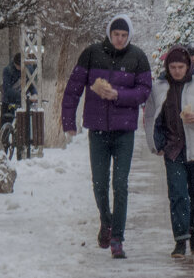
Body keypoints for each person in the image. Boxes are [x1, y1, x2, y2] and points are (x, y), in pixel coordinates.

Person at [62, 14, 152, 259]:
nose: (120, 40)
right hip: (98, 129)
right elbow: (73, 87)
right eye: (116, 35)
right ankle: (106, 221)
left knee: (120, 185)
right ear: (109, 34)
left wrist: (118, 95)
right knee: (99, 183)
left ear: (129, 36)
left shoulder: (138, 57)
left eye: (124, 36)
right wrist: (68, 120)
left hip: (124, 132)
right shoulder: (91, 54)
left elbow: (144, 91)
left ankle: (117, 238)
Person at [145, 45, 194, 259]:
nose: (177, 71)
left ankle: (193, 228)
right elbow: (152, 117)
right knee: (178, 195)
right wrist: (155, 143)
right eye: (173, 67)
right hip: (173, 150)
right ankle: (180, 240)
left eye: (181, 66)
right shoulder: (160, 87)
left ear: (188, 65)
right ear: (167, 67)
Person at [1, 52, 23, 126]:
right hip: (9, 102)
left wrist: (34, 93)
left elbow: (32, 86)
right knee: (6, 122)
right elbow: (7, 90)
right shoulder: (8, 70)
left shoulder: (28, 70)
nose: (20, 68)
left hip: (22, 102)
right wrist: (21, 95)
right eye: (18, 66)